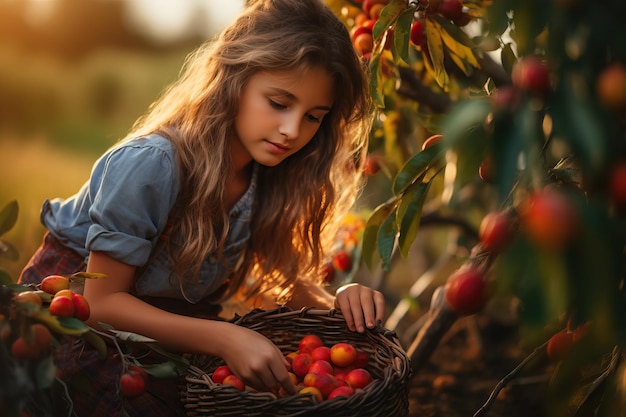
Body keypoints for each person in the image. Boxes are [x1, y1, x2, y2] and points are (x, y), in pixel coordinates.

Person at [18, 0, 384, 415]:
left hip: (161, 342)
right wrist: (224, 338)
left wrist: (337, 302)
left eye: (314, 117)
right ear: (234, 80)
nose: (292, 130)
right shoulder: (154, 164)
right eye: (279, 104)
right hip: (74, 333)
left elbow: (277, 279)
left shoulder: (268, 175)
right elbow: (100, 306)